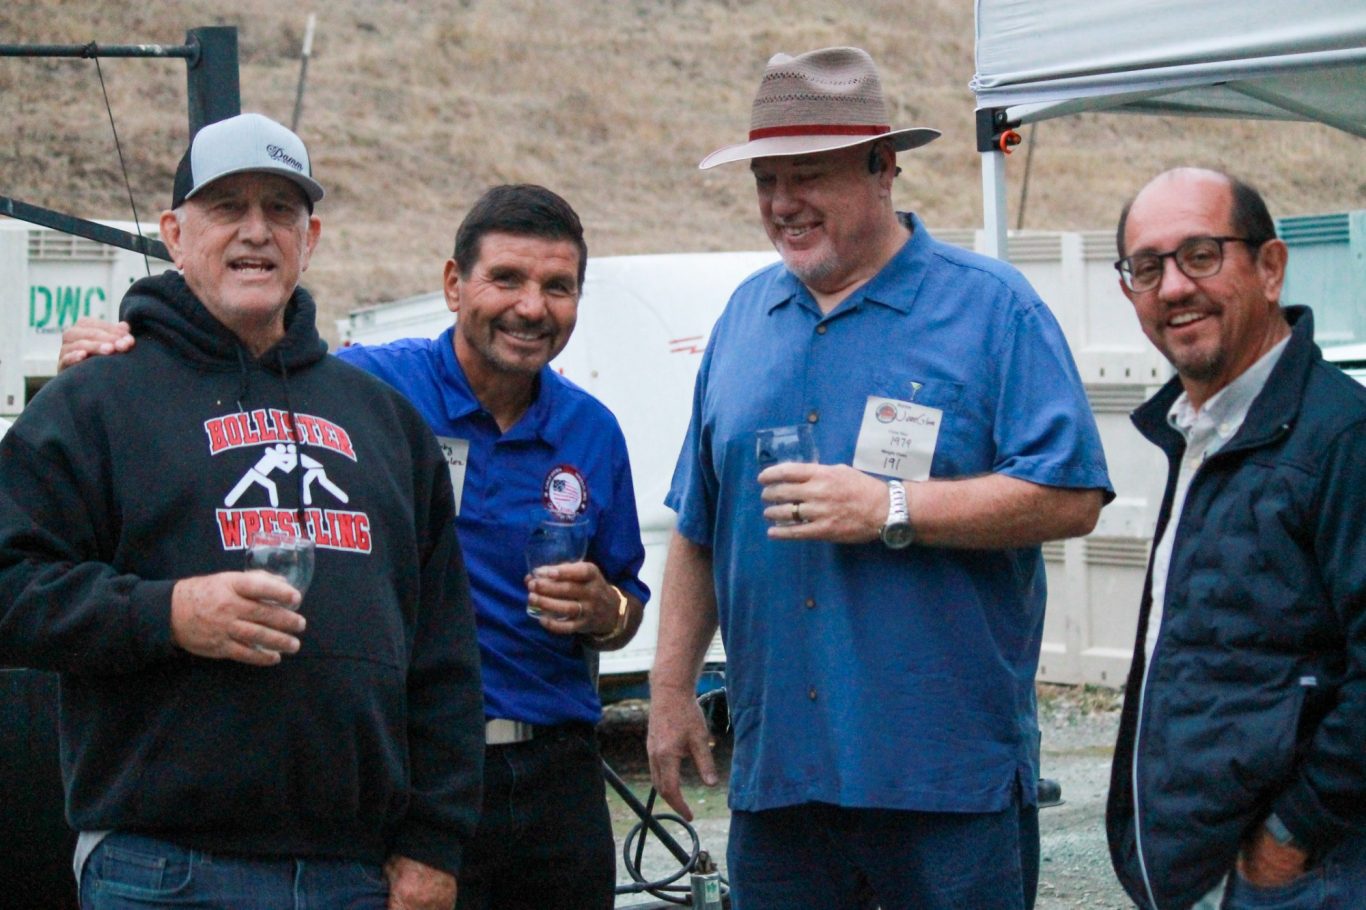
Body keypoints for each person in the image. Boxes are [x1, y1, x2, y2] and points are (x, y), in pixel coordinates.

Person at [58, 183, 650, 910]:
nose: (531, 306)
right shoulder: (371, 391)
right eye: (506, 279)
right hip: (415, 782)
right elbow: (242, 368)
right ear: (453, 284)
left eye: (558, 287)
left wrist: (607, 609)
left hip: (558, 774)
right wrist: (124, 355)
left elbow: (627, 606)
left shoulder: (593, 430)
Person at [645, 46, 1112, 910]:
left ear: (884, 166)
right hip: (782, 783)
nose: (783, 203)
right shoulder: (744, 317)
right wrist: (670, 691)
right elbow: (700, 528)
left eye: (809, 176)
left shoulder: (992, 308)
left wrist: (892, 506)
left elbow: (1072, 495)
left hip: (945, 782)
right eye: (767, 181)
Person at [0, 113, 483, 910]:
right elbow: (11, 585)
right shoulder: (97, 402)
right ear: (175, 234)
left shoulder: (385, 423)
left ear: (310, 237)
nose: (256, 231)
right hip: (162, 871)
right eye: (227, 206)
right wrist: (168, 612)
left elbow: (444, 651)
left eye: (280, 209)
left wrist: (434, 845)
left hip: (354, 877)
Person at [1105, 168, 1366, 910]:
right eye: (1146, 268)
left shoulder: (1340, 439)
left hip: (1316, 874)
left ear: (1270, 267)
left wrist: (1293, 835)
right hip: (1221, 865)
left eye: (1200, 255)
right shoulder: (1198, 431)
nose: (1173, 287)